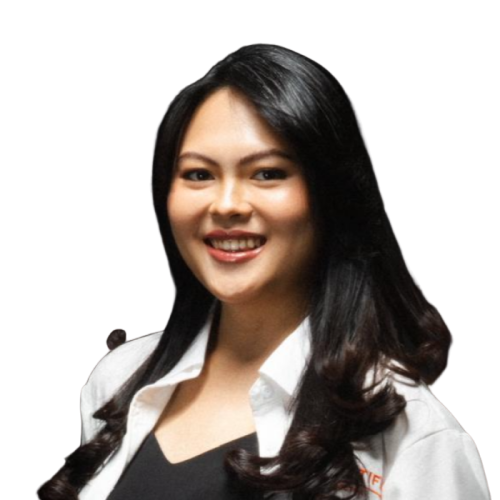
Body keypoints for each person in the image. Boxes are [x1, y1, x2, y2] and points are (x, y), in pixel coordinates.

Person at [36, 43, 490, 500]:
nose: (226, 204)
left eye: (267, 173)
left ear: (331, 195)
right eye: (198, 174)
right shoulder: (117, 383)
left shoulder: (405, 428)